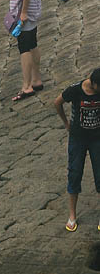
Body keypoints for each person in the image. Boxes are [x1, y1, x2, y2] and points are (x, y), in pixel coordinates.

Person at [54, 68, 100, 232]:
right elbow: (57, 102)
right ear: (94, 84)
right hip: (78, 138)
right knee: (74, 173)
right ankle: (72, 215)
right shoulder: (75, 90)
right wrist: (67, 124)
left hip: (96, 138)